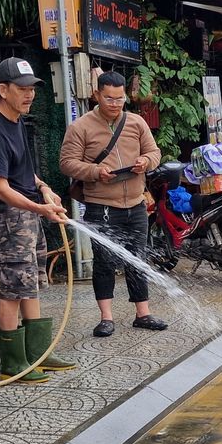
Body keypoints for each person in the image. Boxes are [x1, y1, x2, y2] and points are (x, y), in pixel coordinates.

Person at [0, 57, 75, 383]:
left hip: (27, 214)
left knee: (30, 285)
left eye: (32, 88)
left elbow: (22, 172)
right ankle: (14, 363)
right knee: (13, 289)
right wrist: (40, 209)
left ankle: (38, 354)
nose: (29, 94)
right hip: (8, 219)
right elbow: (1, 188)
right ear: (3, 90)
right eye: (22, 88)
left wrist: (44, 189)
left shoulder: (16, 122)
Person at [60, 71, 164, 337]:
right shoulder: (80, 126)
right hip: (101, 205)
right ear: (97, 95)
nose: (115, 104)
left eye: (120, 99)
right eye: (109, 98)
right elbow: (67, 163)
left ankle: (143, 313)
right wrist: (96, 172)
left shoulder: (136, 122)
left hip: (136, 203)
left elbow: (154, 152)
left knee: (137, 258)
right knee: (104, 261)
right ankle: (106, 317)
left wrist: (146, 162)